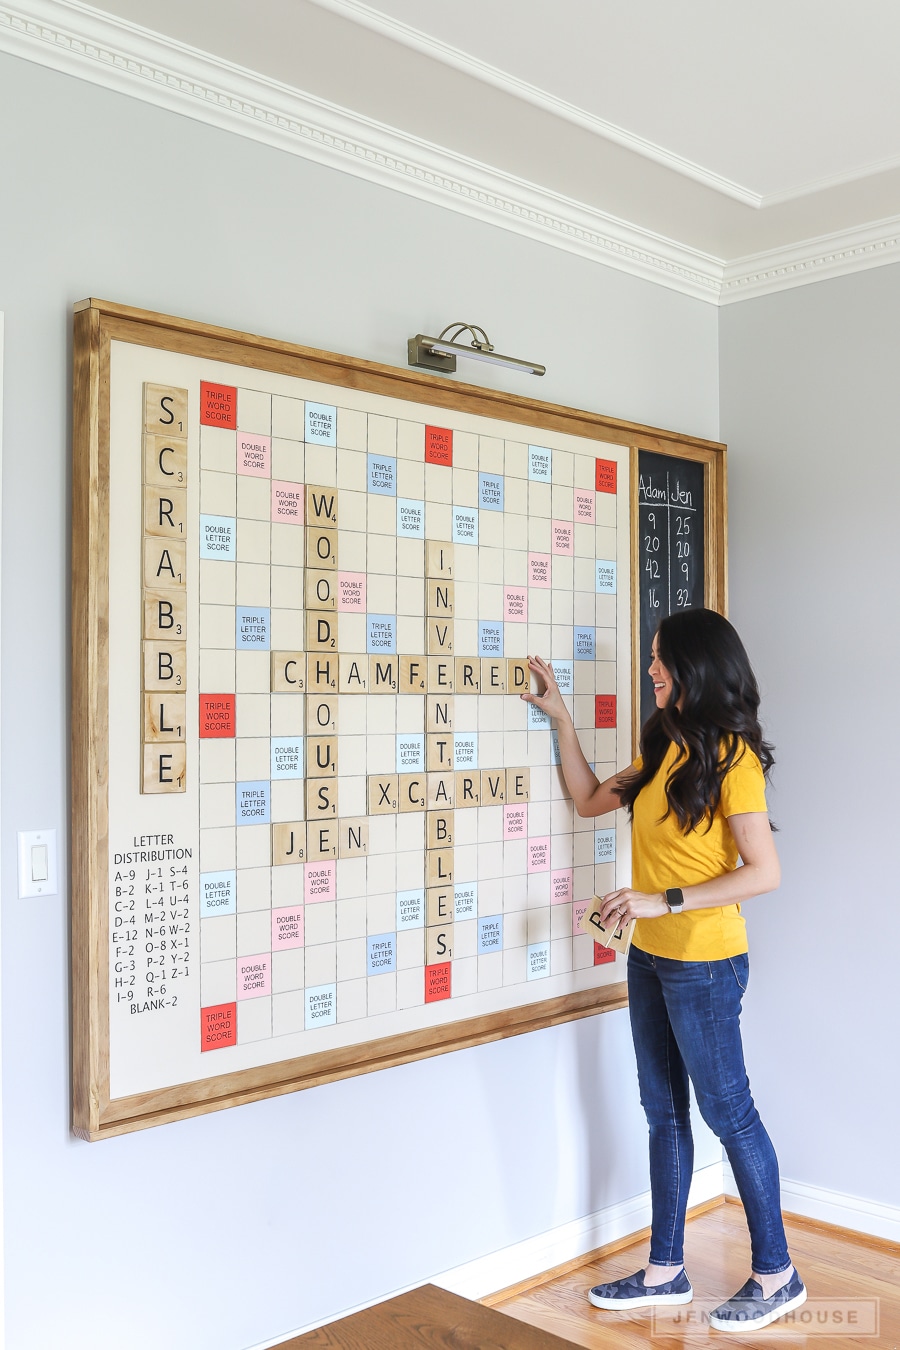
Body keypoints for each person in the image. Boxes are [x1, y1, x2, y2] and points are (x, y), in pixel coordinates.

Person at [523, 608, 806, 1333]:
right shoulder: (662, 745)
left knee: (728, 1113)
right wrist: (559, 718)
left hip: (706, 962)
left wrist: (662, 898)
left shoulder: (732, 759)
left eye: (660, 659)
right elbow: (589, 801)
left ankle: (778, 1274)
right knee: (662, 1112)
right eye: (652, 658)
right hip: (650, 957)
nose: (651, 670)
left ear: (696, 667)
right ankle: (664, 1269)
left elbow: (764, 872)